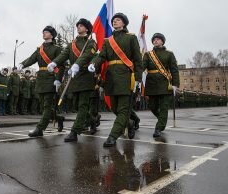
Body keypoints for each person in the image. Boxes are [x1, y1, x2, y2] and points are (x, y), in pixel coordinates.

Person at [88, 13, 143, 147]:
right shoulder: (108, 40)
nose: (115, 22)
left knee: (123, 110)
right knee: (114, 108)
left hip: (125, 76)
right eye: (114, 20)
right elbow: (101, 56)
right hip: (111, 77)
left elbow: (137, 59)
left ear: (124, 23)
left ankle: (113, 136)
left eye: (118, 20)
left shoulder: (131, 38)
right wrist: (94, 64)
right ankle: (129, 123)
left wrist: (138, 78)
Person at [48, 18, 97, 142]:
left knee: (82, 105)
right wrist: (54, 63)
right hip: (74, 77)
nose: (78, 27)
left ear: (87, 29)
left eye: (81, 26)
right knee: (76, 105)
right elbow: (63, 55)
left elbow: (87, 56)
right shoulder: (72, 44)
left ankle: (75, 131)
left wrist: (77, 64)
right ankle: (93, 120)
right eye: (78, 26)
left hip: (85, 76)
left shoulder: (91, 43)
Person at [20, 25, 65, 137]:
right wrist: (23, 64)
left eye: (46, 32)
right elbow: (31, 59)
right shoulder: (39, 49)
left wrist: (58, 80)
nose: (43, 34)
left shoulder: (57, 48)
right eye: (43, 32)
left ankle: (40, 129)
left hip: (51, 78)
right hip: (40, 79)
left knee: (46, 106)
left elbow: (61, 65)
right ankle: (59, 118)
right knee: (43, 106)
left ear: (51, 35)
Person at [142, 33, 179, 137]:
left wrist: (175, 84)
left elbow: (174, 70)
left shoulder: (169, 54)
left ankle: (159, 127)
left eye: (158, 39)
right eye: (154, 39)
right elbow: (142, 66)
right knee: (152, 106)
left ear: (162, 41)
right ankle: (162, 119)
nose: (155, 41)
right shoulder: (148, 54)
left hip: (164, 83)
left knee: (163, 107)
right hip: (151, 83)